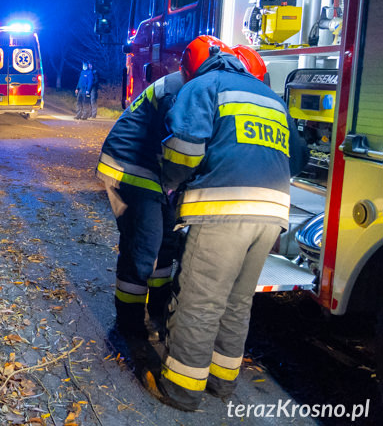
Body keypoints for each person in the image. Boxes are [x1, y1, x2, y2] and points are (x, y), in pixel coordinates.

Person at [151, 36, 306, 411]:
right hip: (272, 215)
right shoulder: (271, 99)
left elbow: (184, 150)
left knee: (200, 301)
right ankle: (222, 383)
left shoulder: (204, 86)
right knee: (237, 302)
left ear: (192, 67)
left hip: (222, 212)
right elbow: (297, 160)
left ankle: (182, 391)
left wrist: (169, 182)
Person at [96, 70, 185, 340]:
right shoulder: (177, 91)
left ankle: (157, 313)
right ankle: (129, 324)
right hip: (130, 169)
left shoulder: (182, 84)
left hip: (149, 171)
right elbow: (183, 139)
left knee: (165, 243)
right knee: (144, 245)